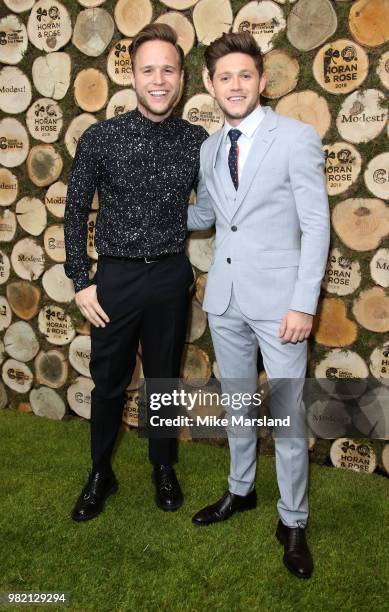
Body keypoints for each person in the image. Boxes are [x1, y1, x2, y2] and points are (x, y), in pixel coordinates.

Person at [187, 32, 330, 579]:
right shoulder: (207, 147)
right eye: (225, 77)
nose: (236, 85)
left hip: (281, 307)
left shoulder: (295, 138)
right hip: (225, 299)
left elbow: (316, 225)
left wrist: (303, 304)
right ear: (210, 85)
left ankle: (292, 520)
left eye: (245, 75)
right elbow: (212, 218)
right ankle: (240, 490)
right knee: (239, 405)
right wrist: (152, 214)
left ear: (262, 81)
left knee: (288, 415)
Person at [64, 24, 207, 521]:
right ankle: (100, 471)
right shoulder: (101, 138)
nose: (159, 78)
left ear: (182, 80)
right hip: (116, 281)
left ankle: (162, 466)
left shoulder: (196, 140)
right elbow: (74, 208)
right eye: (149, 69)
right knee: (108, 383)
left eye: (169, 69)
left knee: (164, 380)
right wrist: (81, 280)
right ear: (133, 76)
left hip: (170, 276)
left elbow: (217, 204)